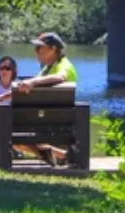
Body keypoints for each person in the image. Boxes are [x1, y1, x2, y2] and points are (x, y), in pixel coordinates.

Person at [15, 33, 78, 165]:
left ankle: (55, 155)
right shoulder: (47, 69)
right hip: (44, 117)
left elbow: (61, 77)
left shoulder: (64, 64)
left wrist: (33, 82)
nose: (36, 51)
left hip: (55, 119)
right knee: (14, 135)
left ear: (54, 49)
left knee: (11, 131)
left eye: (40, 47)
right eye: (36, 48)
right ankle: (60, 155)